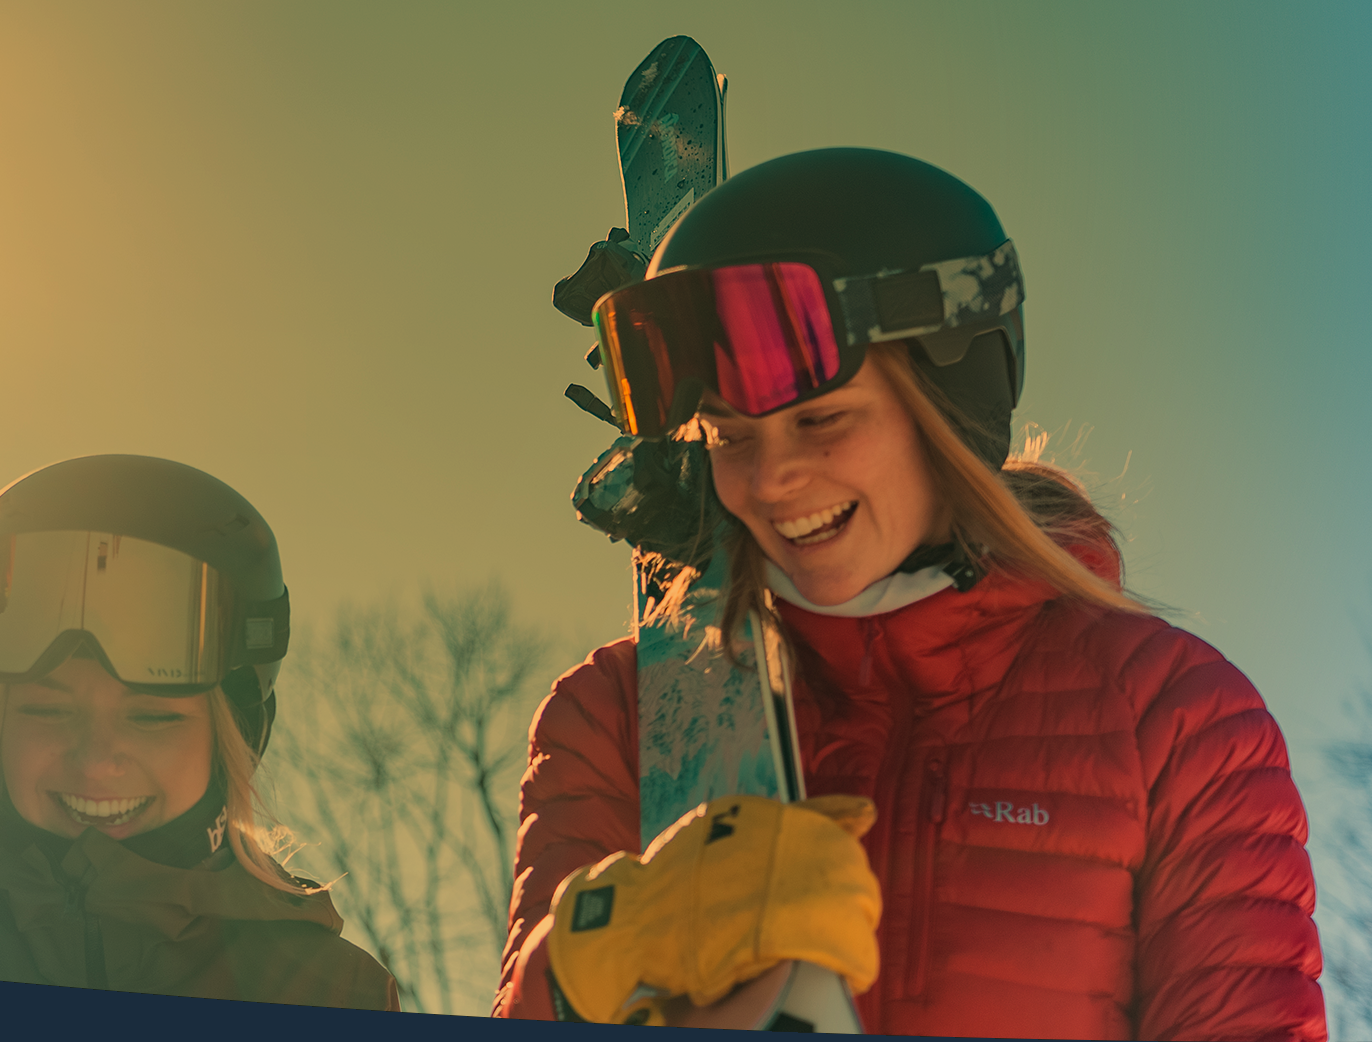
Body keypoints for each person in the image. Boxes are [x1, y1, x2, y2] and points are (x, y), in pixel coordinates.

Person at [495, 149, 1324, 1040]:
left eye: (821, 420)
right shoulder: (620, 713)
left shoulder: (1170, 718)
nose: (771, 479)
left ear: (948, 406)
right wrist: (581, 976)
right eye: (728, 437)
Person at [0, 454, 399, 1010]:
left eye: (151, 716)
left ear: (232, 739)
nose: (97, 760)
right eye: (48, 711)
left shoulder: (329, 992)